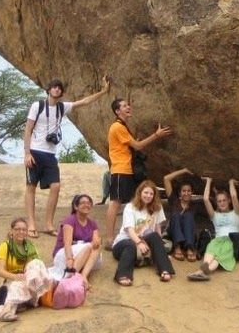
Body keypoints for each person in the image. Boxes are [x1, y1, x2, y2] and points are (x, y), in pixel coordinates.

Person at [23, 76, 110, 238]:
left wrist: (103, 92)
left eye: (59, 88)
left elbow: (84, 102)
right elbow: (28, 129)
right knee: (31, 187)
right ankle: (32, 223)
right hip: (35, 151)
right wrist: (27, 153)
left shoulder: (63, 107)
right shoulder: (38, 106)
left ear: (62, 92)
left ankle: (48, 224)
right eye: (54, 87)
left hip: (50, 153)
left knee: (55, 186)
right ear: (48, 90)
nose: (57, 89)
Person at [105, 98, 172, 249]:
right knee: (115, 203)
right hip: (120, 169)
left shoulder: (123, 126)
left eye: (128, 105)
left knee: (129, 203)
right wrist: (156, 135)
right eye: (124, 106)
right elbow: (137, 145)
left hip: (126, 169)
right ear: (117, 111)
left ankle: (134, 234)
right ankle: (109, 239)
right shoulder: (117, 127)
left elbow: (131, 145)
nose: (128, 107)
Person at [0, 217, 52, 322]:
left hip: (28, 284)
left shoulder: (30, 247)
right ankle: (6, 312)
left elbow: (34, 269)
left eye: (24, 229)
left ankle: (8, 310)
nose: (21, 232)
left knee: (37, 263)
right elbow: (1, 271)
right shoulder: (5, 246)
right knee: (16, 285)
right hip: (10, 282)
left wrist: (25, 279)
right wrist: (15, 277)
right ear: (12, 231)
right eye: (18, 229)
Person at [111, 179, 175, 285]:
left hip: (143, 241)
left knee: (154, 236)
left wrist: (161, 251)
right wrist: (139, 243)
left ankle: (165, 269)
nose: (148, 196)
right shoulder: (130, 207)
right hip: (124, 243)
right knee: (130, 245)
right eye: (146, 192)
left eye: (151, 194)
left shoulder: (157, 208)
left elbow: (157, 229)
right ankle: (123, 275)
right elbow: (129, 229)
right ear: (140, 192)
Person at [187, 176, 239, 281]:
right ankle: (203, 270)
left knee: (219, 255)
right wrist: (208, 181)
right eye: (219, 201)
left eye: (224, 200)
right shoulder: (215, 216)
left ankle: (203, 271)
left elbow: (234, 196)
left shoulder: (236, 213)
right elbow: (205, 199)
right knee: (211, 248)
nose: (222, 203)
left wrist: (231, 182)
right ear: (216, 203)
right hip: (217, 241)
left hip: (231, 241)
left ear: (229, 201)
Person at [49, 194, 102, 289]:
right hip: (65, 254)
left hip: (83, 255)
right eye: (83, 203)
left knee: (96, 246)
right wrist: (69, 259)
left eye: (89, 203)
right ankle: (71, 276)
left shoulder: (93, 224)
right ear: (75, 206)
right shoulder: (70, 220)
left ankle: (83, 276)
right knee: (89, 246)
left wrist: (97, 241)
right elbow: (67, 243)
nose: (86, 205)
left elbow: (96, 241)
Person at [164, 167, 199, 261]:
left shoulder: (194, 205)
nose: (186, 193)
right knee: (176, 215)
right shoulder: (174, 201)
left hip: (189, 236)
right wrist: (184, 171)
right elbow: (166, 179)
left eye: (189, 191)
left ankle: (189, 248)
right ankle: (177, 247)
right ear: (179, 193)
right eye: (184, 191)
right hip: (174, 235)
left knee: (188, 215)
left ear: (192, 192)